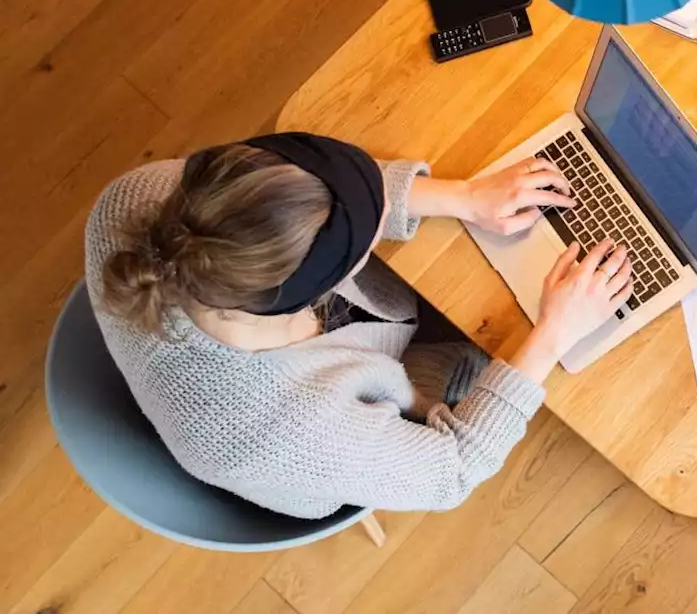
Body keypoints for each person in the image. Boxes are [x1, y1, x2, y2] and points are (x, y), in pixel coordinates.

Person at [86, 132, 633, 519]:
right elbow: (455, 470)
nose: (378, 228)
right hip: (353, 432)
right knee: (486, 356)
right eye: (366, 236)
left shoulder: (149, 201)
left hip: (337, 370)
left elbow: (301, 195)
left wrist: (463, 196)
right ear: (315, 291)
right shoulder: (288, 433)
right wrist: (554, 332)